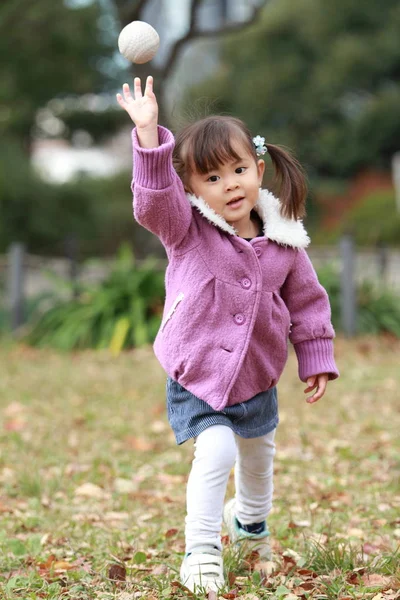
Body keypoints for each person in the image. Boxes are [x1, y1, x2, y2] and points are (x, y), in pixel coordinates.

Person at [117, 76, 339, 593]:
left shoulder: (284, 242)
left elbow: (308, 301)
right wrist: (149, 137)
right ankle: (200, 550)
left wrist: (316, 355)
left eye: (239, 170)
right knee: (216, 450)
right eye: (213, 178)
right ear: (192, 189)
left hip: (257, 377)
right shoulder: (186, 230)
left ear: (258, 170)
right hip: (196, 373)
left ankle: (252, 526)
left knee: (259, 460)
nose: (231, 184)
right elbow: (152, 203)